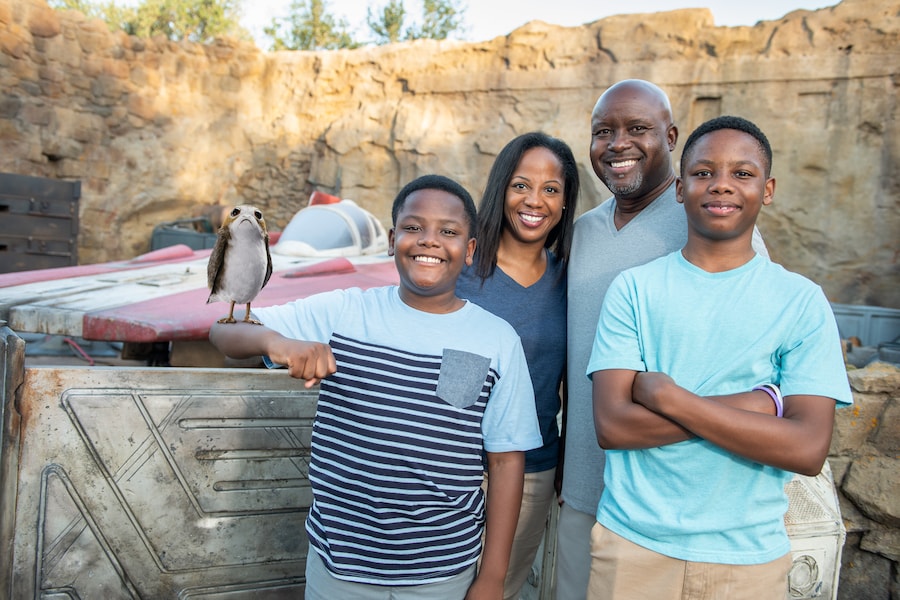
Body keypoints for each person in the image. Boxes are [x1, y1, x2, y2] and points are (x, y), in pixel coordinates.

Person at [209, 174, 543, 600]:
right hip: (339, 568)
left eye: (449, 231)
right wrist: (278, 342)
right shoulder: (344, 312)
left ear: (470, 250)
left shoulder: (495, 339)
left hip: (442, 572)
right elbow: (223, 332)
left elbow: (505, 462)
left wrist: (493, 576)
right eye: (413, 227)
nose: (429, 241)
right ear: (391, 239)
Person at [585, 115, 852, 599]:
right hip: (633, 549)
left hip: (749, 559)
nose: (721, 185)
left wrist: (666, 395)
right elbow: (614, 428)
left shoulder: (802, 301)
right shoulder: (634, 290)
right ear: (680, 189)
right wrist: (753, 406)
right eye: (704, 173)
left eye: (742, 174)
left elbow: (807, 449)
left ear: (767, 189)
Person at [556, 79, 770, 599]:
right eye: (603, 131)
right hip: (584, 487)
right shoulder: (582, 231)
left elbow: (761, 358)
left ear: (670, 137)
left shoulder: (708, 221)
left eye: (637, 129)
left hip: (672, 501)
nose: (617, 143)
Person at [456, 132, 578, 600]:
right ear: (500, 189)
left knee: (497, 591)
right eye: (521, 185)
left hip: (532, 472)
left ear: (565, 203)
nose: (534, 200)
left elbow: (571, 381)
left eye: (551, 189)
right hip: (453, 469)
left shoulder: (570, 281)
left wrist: (568, 461)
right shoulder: (462, 269)